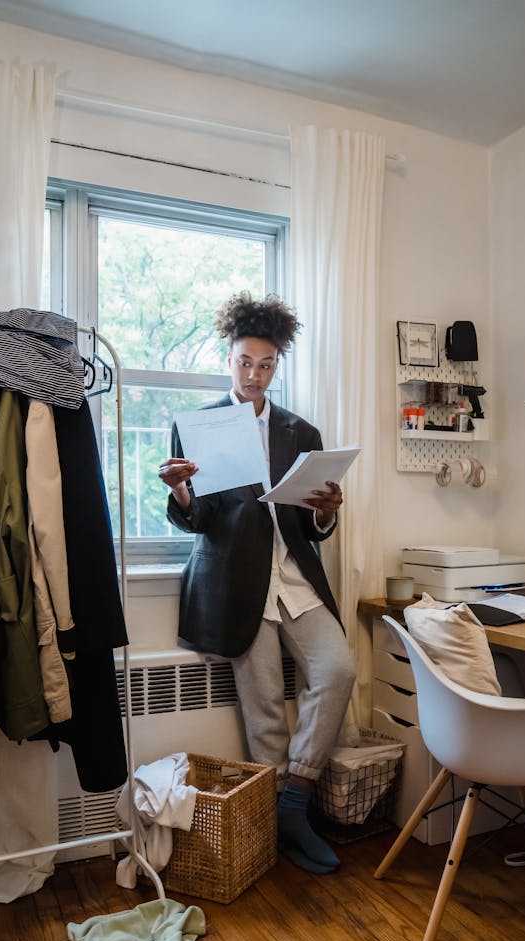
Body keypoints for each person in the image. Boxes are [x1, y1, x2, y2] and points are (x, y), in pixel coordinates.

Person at [159, 292, 355, 874]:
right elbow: (198, 521)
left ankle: (293, 802)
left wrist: (326, 510)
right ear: (229, 358)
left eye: (265, 365)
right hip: (236, 585)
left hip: (295, 580)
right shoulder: (198, 426)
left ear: (277, 365)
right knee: (265, 708)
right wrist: (180, 491)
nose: (253, 374)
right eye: (244, 362)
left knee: (338, 669)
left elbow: (314, 528)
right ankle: (277, 824)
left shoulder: (302, 430)